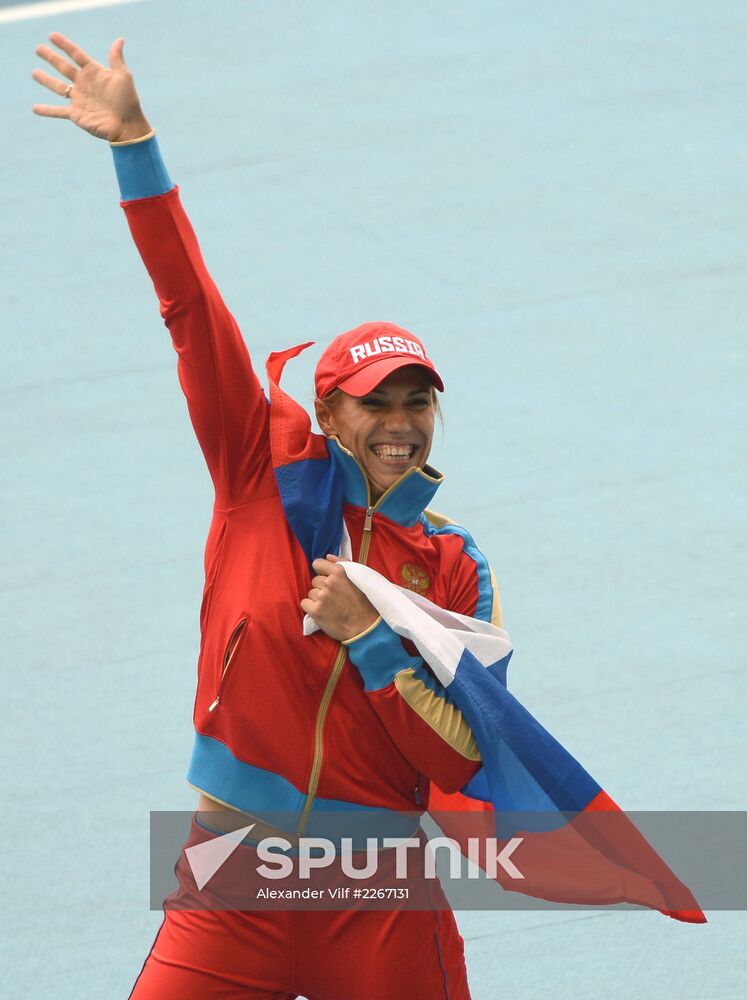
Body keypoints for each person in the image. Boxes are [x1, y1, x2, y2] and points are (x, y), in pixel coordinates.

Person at [33, 34, 504, 1000]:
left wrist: (371, 639)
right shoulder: (255, 473)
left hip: (378, 902)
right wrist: (136, 148)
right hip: (232, 881)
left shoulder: (455, 566)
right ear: (327, 412)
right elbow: (190, 309)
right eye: (375, 403)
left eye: (417, 403)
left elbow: (462, 754)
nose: (400, 424)